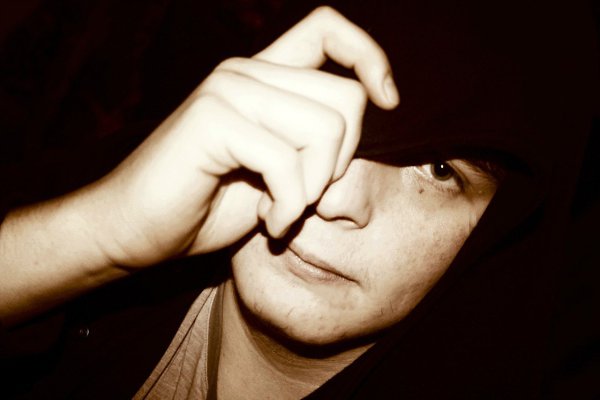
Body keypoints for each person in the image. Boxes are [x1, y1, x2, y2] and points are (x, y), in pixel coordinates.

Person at [0, 0, 597, 398]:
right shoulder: (100, 200)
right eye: (322, 105)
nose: (339, 199)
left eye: (439, 172)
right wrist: (97, 240)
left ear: (496, 235)